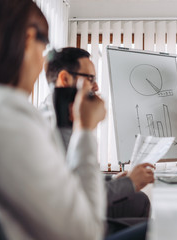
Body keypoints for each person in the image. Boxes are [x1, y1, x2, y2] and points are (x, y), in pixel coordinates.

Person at [0, 0, 147, 239]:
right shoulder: (7, 114)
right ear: (27, 38)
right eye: (43, 46)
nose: (43, 62)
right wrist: (85, 129)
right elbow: (84, 231)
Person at [41, 47, 154, 227]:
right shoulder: (53, 125)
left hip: (76, 208)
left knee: (139, 200)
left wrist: (115, 180)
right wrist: (130, 182)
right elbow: (81, 196)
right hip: (68, 222)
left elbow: (76, 174)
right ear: (65, 78)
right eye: (90, 78)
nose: (96, 87)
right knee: (153, 228)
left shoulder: (65, 113)